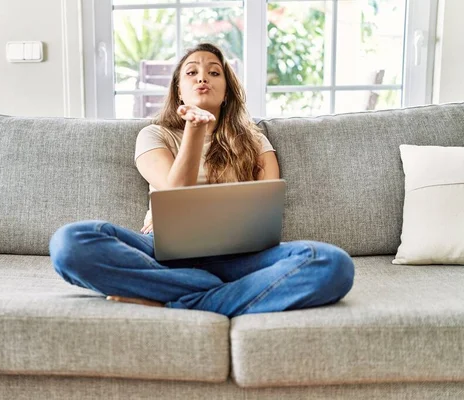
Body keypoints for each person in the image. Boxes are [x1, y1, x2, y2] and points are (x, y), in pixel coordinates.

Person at [49, 43, 354, 318]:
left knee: (331, 262)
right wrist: (195, 128)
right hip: (163, 253)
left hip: (243, 257)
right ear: (179, 90)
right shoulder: (154, 135)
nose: (202, 77)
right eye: (191, 72)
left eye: (214, 72)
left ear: (227, 91)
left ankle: (177, 301)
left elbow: (267, 207)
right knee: (70, 242)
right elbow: (176, 194)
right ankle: (216, 289)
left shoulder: (255, 141)